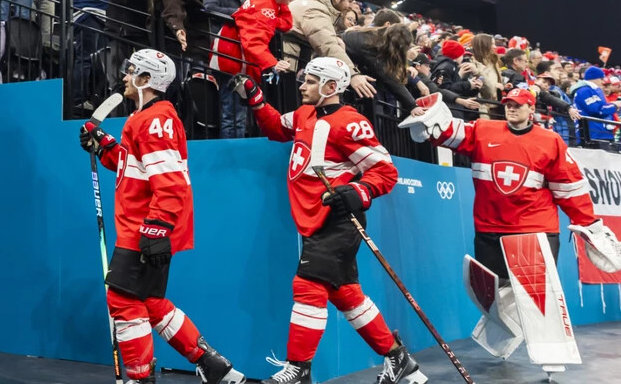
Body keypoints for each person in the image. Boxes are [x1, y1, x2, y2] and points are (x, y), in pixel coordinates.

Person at [229, 58, 426, 384]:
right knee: (346, 294)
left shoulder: (350, 122)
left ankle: (298, 370)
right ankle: (398, 358)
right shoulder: (304, 114)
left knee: (307, 286)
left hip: (338, 219)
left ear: (331, 87)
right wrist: (255, 98)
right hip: (314, 219)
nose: (302, 85)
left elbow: (385, 171)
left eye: (310, 81)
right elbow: (277, 128)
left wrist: (357, 191)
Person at [400, 88, 621, 377]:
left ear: (531, 109)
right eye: (508, 104)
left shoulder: (550, 141)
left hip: (534, 230)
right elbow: (445, 133)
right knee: (493, 294)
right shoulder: (483, 130)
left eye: (518, 105)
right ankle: (502, 339)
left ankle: (553, 356)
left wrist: (589, 224)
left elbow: (569, 188)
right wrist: (426, 117)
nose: (511, 108)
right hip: (489, 228)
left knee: (539, 296)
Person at [79, 49, 246, 384]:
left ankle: (141, 378)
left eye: (131, 72)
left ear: (147, 80)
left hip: (144, 227)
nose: (125, 77)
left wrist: (156, 228)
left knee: (123, 301)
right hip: (143, 225)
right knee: (151, 302)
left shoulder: (154, 120)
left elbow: (170, 182)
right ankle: (216, 367)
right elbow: (135, 168)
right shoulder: (145, 117)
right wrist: (105, 145)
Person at [209, 0, 303, 138]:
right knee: (234, 115)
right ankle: (233, 151)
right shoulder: (264, 8)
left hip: (235, 56)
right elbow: (253, 42)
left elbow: (286, 24)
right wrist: (273, 64)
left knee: (238, 114)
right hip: (233, 59)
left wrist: (280, 8)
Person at [284, 0, 362, 70]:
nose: (351, 6)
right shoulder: (314, 9)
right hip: (288, 58)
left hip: (293, 54)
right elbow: (328, 45)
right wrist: (352, 72)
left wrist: (335, 37)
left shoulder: (315, 2)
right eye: (350, 1)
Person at [569, 66, 621, 141]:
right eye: (601, 78)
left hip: (601, 133)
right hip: (593, 134)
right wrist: (615, 105)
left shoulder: (594, 90)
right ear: (595, 78)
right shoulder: (584, 91)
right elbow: (597, 110)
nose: (602, 82)